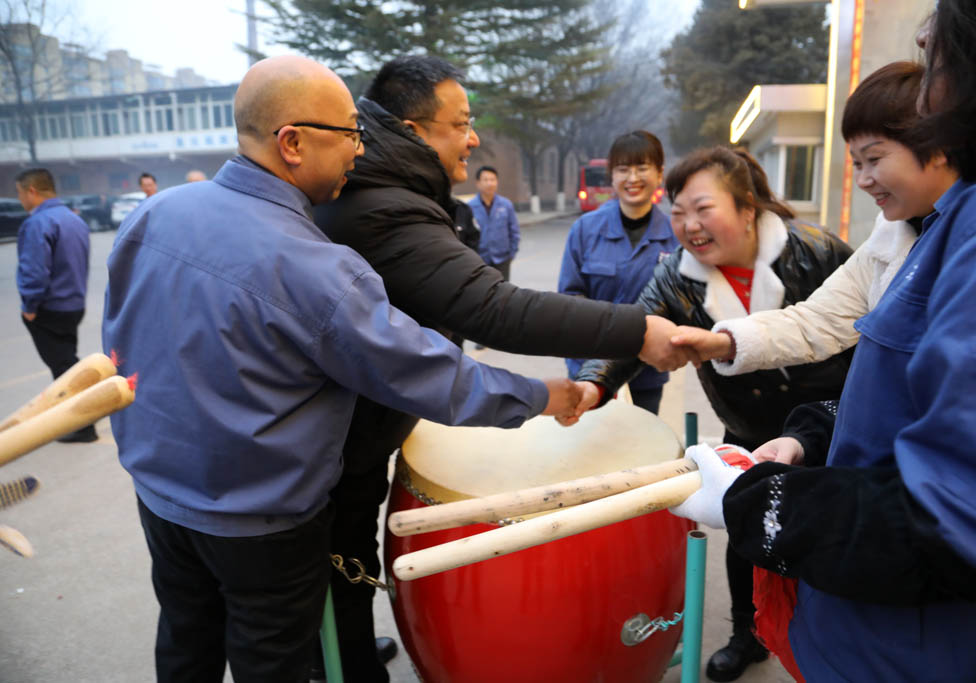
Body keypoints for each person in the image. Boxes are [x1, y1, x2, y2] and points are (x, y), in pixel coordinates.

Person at [102, 55, 582, 683]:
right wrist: (541, 395)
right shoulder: (314, 267)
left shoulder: (155, 214)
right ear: (292, 142)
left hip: (161, 498)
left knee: (185, 640)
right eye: (350, 132)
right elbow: (429, 375)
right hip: (262, 524)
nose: (360, 148)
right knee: (271, 661)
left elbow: (122, 345)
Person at [311, 55, 693, 683]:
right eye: (461, 123)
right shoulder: (383, 206)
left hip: (353, 432)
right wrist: (637, 331)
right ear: (412, 130)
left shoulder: (383, 189)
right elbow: (493, 308)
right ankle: (343, 662)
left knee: (347, 555)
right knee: (329, 566)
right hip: (331, 443)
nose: (474, 138)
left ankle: (349, 648)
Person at [674, 1, 976, 679]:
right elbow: (865, 369)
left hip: (928, 636)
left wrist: (756, 502)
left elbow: (966, 507)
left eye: (874, 159)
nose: (862, 179)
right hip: (861, 583)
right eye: (678, 210)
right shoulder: (923, 231)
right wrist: (810, 432)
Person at [567, 147, 854, 682]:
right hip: (748, 425)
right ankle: (748, 633)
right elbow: (635, 331)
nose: (689, 226)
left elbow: (868, 325)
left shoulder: (815, 250)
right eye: (678, 212)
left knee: (829, 534)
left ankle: (832, 643)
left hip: (834, 423)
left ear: (747, 209)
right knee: (746, 532)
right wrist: (592, 383)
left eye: (703, 208)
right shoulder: (675, 276)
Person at [671, 61, 958, 466]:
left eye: (874, 159)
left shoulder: (815, 246)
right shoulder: (890, 239)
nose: (863, 179)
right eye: (856, 163)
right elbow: (818, 320)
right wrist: (724, 343)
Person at [558, 131, 678, 415]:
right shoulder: (586, 229)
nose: (632, 178)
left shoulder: (675, 234)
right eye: (623, 169)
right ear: (612, 176)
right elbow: (569, 299)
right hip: (589, 369)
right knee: (590, 439)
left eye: (642, 168)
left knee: (641, 440)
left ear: (659, 173)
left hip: (646, 373)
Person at [14, 168, 97, 443]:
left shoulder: (38, 223)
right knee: (65, 363)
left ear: (32, 191)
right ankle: (77, 419)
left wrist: (29, 305)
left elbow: (35, 271)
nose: (20, 199)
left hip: (49, 307)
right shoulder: (74, 219)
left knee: (65, 369)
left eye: (20, 193)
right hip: (73, 303)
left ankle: (84, 424)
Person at [468, 166, 519, 281]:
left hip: (502, 260)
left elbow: (514, 231)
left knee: (503, 290)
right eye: (485, 180)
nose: (489, 183)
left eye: (492, 179)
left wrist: (511, 254)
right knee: (481, 290)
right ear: (478, 183)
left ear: (497, 182)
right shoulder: (470, 207)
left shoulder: (506, 205)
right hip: (479, 261)